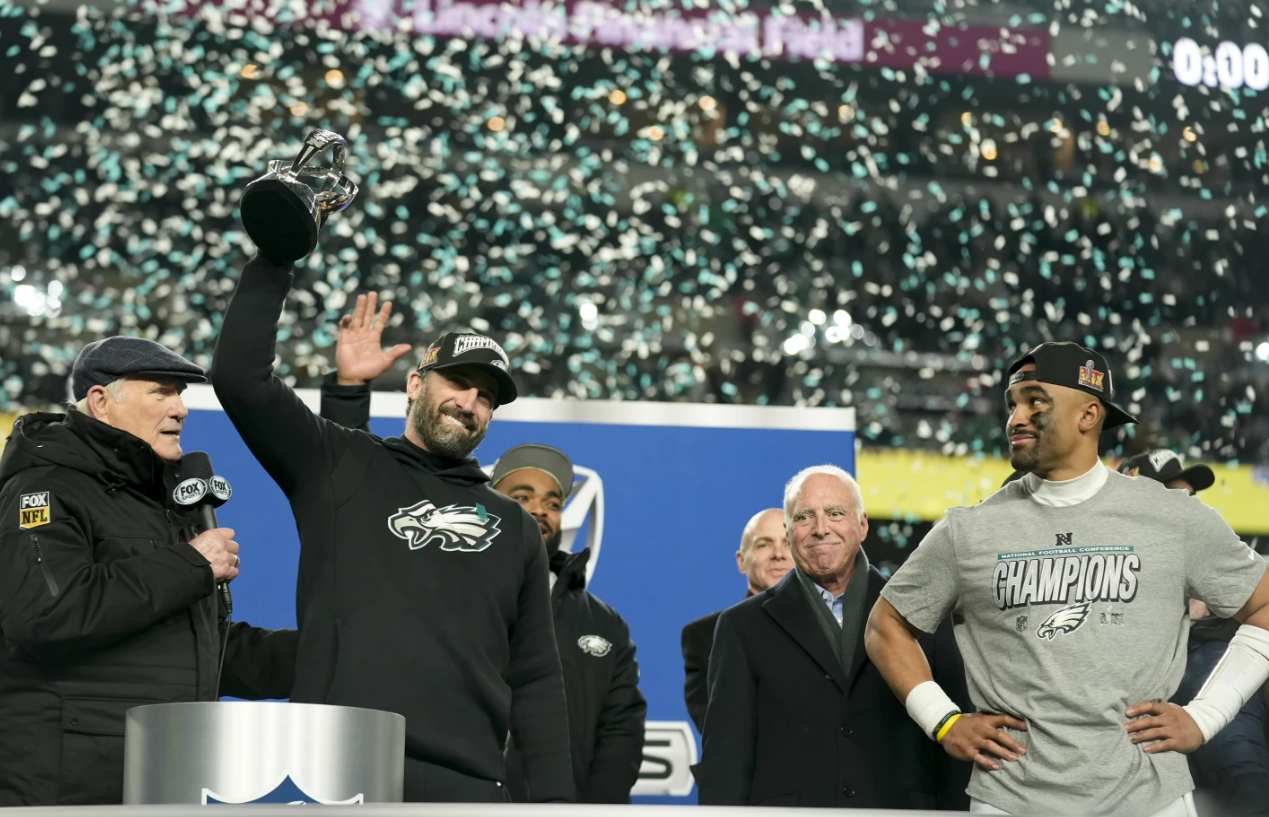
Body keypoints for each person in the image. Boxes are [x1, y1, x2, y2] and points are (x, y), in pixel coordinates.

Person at [211, 239, 574, 803]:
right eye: (458, 382)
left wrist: (557, 811)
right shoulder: (339, 467)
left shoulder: (514, 527)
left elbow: (537, 681)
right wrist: (273, 261)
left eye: (486, 398)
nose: (470, 403)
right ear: (413, 384)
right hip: (335, 772)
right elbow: (239, 378)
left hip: (468, 785)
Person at [867, 342, 1269, 817]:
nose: (1015, 417)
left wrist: (1206, 716)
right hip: (1011, 799)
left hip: (1148, 797)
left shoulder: (1172, 516)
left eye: (1035, 401)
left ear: (1088, 414)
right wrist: (943, 721)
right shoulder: (969, 529)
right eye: (1012, 403)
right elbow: (884, 626)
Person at [317, 300, 646, 804]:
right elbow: (363, 495)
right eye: (521, 497)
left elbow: (607, 729)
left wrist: (570, 808)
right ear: (489, 504)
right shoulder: (448, 562)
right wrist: (347, 393)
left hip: (494, 796)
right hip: (405, 772)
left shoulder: (603, 624)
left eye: (553, 501)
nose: (538, 511)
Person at [0, 337, 297, 806]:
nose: (180, 409)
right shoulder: (43, 487)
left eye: (181, 394)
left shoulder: (158, 502)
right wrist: (192, 563)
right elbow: (46, 612)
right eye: (161, 392)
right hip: (66, 787)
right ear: (101, 402)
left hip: (159, 772)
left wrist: (327, 654)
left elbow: (190, 649)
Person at [695, 465, 971, 808]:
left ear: (863, 524)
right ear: (789, 529)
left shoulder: (923, 614)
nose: (820, 529)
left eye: (835, 513)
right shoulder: (741, 626)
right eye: (804, 517)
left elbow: (958, 738)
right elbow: (726, 758)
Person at [1119, 449, 1269, 816]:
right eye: (1171, 494)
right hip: (1131, 682)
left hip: (1205, 655)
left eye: (1189, 496)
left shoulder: (1207, 544)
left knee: (1241, 771)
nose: (1186, 506)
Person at [680, 508, 791, 733]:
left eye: (788, 543)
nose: (778, 553)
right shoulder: (704, 635)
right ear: (742, 562)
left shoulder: (834, 624)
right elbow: (717, 728)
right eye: (763, 544)